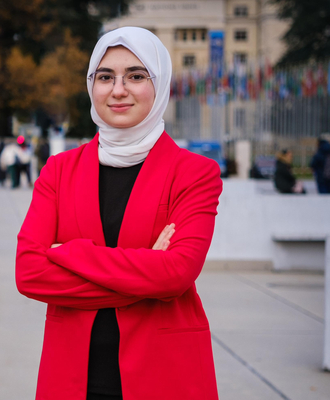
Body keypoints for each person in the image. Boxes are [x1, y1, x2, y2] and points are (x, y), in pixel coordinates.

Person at [16, 27, 222, 400]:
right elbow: (30, 273)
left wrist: (69, 253)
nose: (118, 89)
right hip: (73, 376)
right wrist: (146, 273)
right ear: (91, 85)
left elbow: (177, 274)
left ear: (160, 85)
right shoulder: (59, 171)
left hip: (164, 373)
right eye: (105, 76)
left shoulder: (194, 173)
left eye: (137, 76)